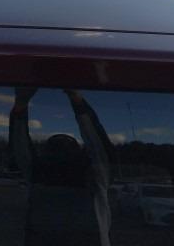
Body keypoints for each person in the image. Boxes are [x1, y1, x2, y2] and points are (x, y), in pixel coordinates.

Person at [9, 88, 114, 246]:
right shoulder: (95, 177)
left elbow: (21, 148)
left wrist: (20, 106)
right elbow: (98, 146)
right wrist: (77, 100)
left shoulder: (36, 175)